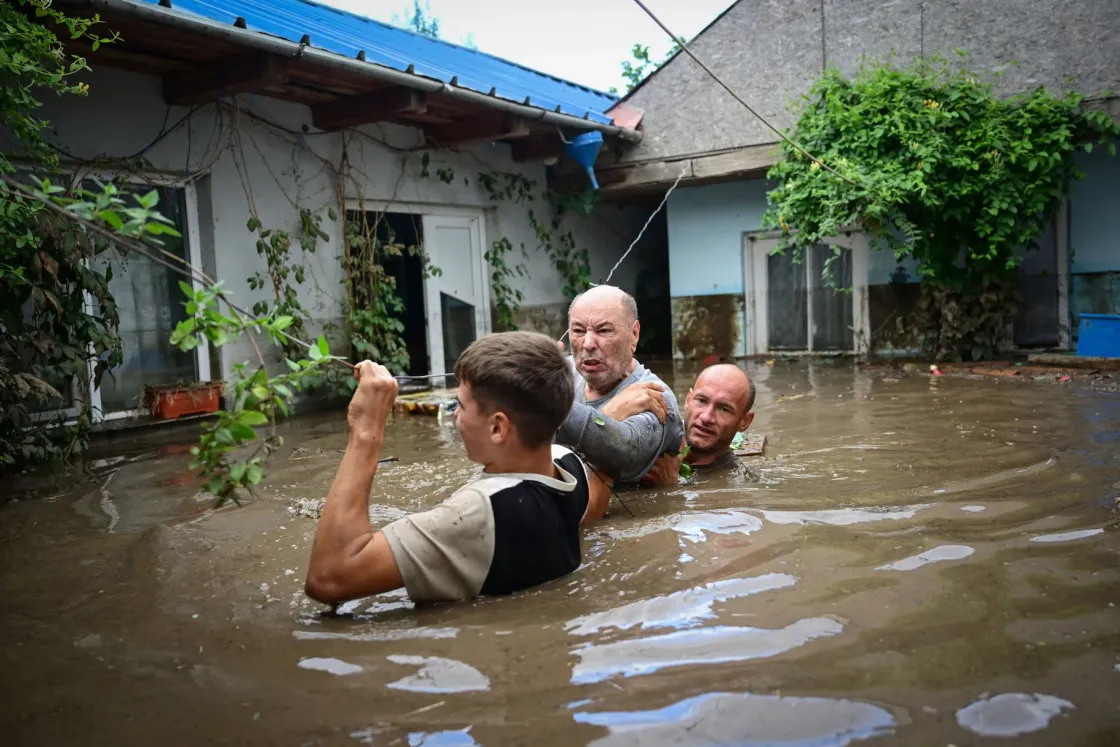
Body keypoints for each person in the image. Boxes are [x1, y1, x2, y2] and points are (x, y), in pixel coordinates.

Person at [304, 331, 613, 607]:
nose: (456, 418)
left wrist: (366, 429)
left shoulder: (478, 512)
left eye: (461, 407)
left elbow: (328, 577)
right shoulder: (568, 465)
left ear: (497, 428)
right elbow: (592, 506)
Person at [554, 285, 684, 487]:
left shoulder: (654, 394)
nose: (588, 343)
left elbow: (624, 451)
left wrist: (539, 403)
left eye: (604, 330)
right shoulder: (559, 373)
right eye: (578, 330)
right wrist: (612, 411)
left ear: (634, 334)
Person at [614, 364, 756, 481]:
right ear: (688, 400)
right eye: (701, 401)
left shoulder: (738, 481)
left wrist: (669, 490)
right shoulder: (653, 434)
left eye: (724, 409)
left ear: (744, 421)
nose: (706, 417)